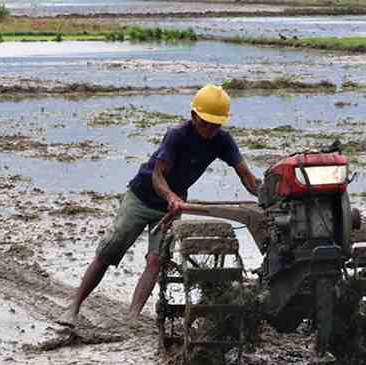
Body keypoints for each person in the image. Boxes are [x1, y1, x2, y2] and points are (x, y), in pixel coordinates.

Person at [58, 84, 260, 329]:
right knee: (109, 251)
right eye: (206, 123)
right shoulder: (177, 135)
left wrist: (264, 195)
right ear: (194, 115)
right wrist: (171, 197)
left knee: (156, 261)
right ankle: (74, 306)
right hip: (142, 197)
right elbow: (157, 175)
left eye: (216, 124)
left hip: (172, 206)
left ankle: (132, 317)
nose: (210, 129)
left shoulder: (222, 141)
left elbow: (246, 176)